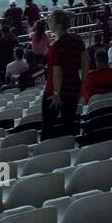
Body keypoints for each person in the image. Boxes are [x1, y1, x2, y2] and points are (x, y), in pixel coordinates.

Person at [42, 8, 87, 138]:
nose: (48, 23)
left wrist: (56, 93)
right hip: (73, 88)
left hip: (55, 93)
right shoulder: (77, 39)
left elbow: (57, 73)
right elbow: (86, 62)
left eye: (50, 20)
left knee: (47, 129)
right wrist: (82, 85)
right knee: (69, 126)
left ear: (58, 25)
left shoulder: (55, 46)